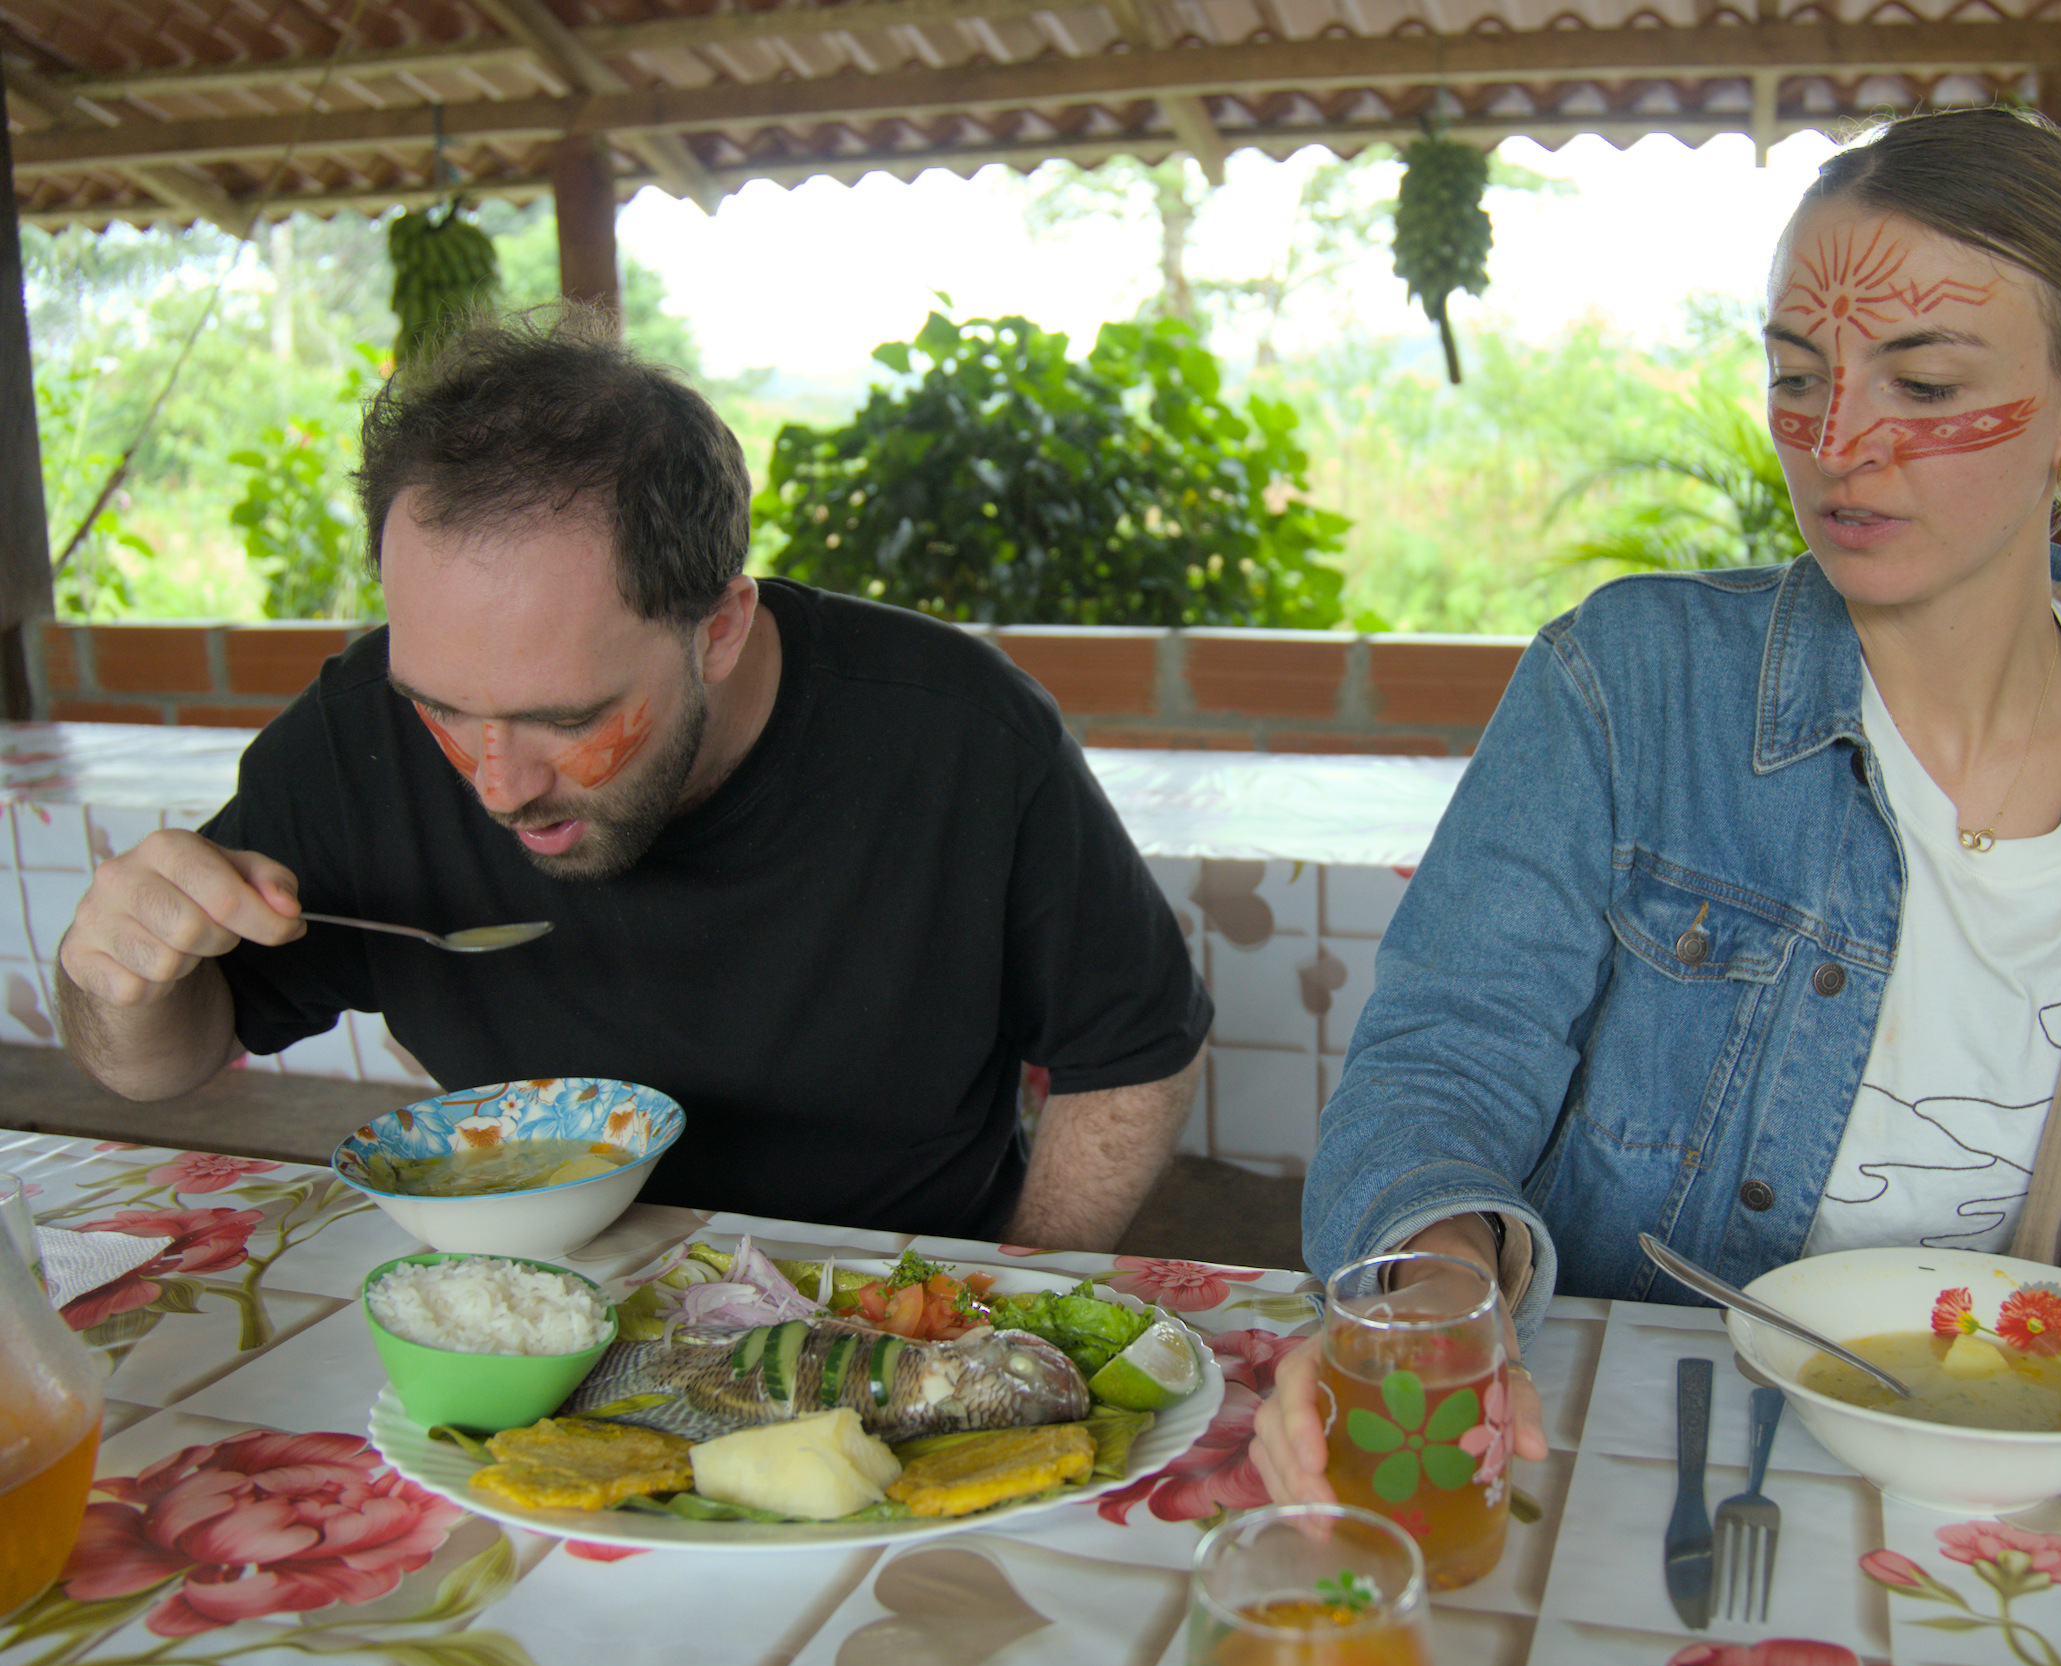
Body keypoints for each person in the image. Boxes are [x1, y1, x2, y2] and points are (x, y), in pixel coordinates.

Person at [1253, 107, 2061, 1506]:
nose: (1838, 442)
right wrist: (1428, 1295)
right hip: (1618, 1454)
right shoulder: (1630, 688)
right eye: (1800, 375)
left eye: (1922, 383)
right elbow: (1444, 1058)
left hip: (2031, 1503)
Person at [52, 311, 1211, 1249]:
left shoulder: (958, 734)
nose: (497, 786)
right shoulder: (359, 733)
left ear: (719, 628)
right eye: (443, 706)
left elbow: (1136, 1051)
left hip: (887, 1285)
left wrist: (1006, 1294)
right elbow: (160, 1065)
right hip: (532, 1293)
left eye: (566, 718)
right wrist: (122, 978)